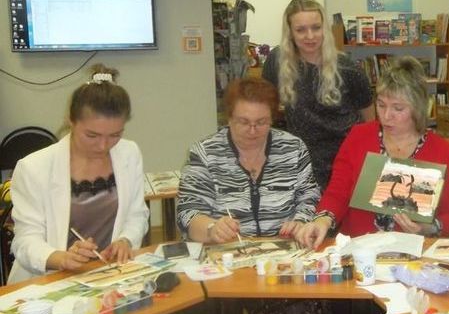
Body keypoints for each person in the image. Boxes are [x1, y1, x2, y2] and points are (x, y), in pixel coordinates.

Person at [295, 57, 449, 249]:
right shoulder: (359, 137)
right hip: (359, 250)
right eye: (381, 104)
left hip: (413, 252)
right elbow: (337, 193)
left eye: (398, 108)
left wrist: (428, 228)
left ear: (418, 108)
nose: (386, 116)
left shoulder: (440, 151)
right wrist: (322, 220)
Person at [9, 64, 150, 284]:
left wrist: (125, 240)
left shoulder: (129, 153)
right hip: (50, 281)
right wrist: (61, 258)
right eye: (92, 135)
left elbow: (136, 214)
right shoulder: (33, 167)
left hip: (107, 275)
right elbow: (25, 241)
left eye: (115, 135)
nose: (103, 145)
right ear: (71, 120)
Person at [177, 77, 320, 243]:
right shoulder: (205, 153)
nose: (252, 131)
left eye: (261, 122)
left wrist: (301, 222)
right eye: (243, 122)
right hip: (225, 251)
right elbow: (188, 212)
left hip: (285, 249)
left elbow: (309, 197)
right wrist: (212, 229)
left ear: (272, 119)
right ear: (229, 118)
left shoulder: (293, 148)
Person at [263, 0, 374, 189]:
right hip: (301, 165)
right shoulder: (277, 62)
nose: (310, 36)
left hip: (346, 163)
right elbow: (263, 107)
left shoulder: (347, 67)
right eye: (301, 30)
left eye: (316, 27)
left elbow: (370, 121)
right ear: (290, 32)